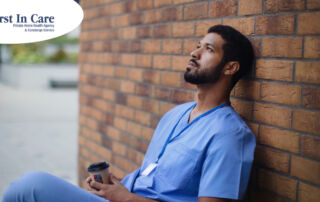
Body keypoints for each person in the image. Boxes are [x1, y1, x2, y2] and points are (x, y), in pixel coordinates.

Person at [2, 25, 256, 202]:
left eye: (208, 49)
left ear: (230, 67)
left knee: (32, 186)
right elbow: (155, 180)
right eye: (197, 46)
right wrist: (117, 186)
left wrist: (124, 198)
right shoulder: (175, 115)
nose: (195, 52)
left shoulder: (229, 135)